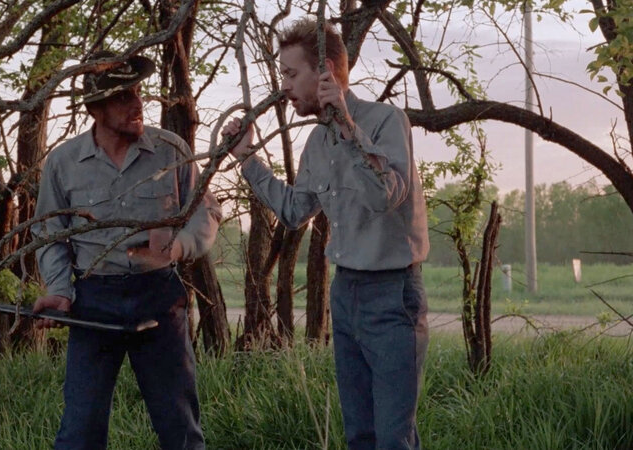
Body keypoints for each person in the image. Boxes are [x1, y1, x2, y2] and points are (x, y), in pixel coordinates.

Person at [222, 18, 430, 450]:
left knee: (394, 438)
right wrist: (247, 158)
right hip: (346, 291)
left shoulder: (385, 121)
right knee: (359, 435)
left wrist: (348, 127)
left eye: (290, 73)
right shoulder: (317, 143)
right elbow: (294, 212)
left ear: (326, 73)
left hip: (393, 295)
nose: (284, 86)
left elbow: (385, 196)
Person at [31, 50, 220, 450]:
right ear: (95, 109)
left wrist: (178, 247)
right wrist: (60, 291)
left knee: (179, 425)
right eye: (122, 97)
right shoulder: (64, 162)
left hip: (159, 297)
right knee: (80, 429)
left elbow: (206, 214)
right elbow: (49, 233)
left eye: (137, 91)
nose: (136, 103)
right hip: (93, 300)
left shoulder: (170, 150)